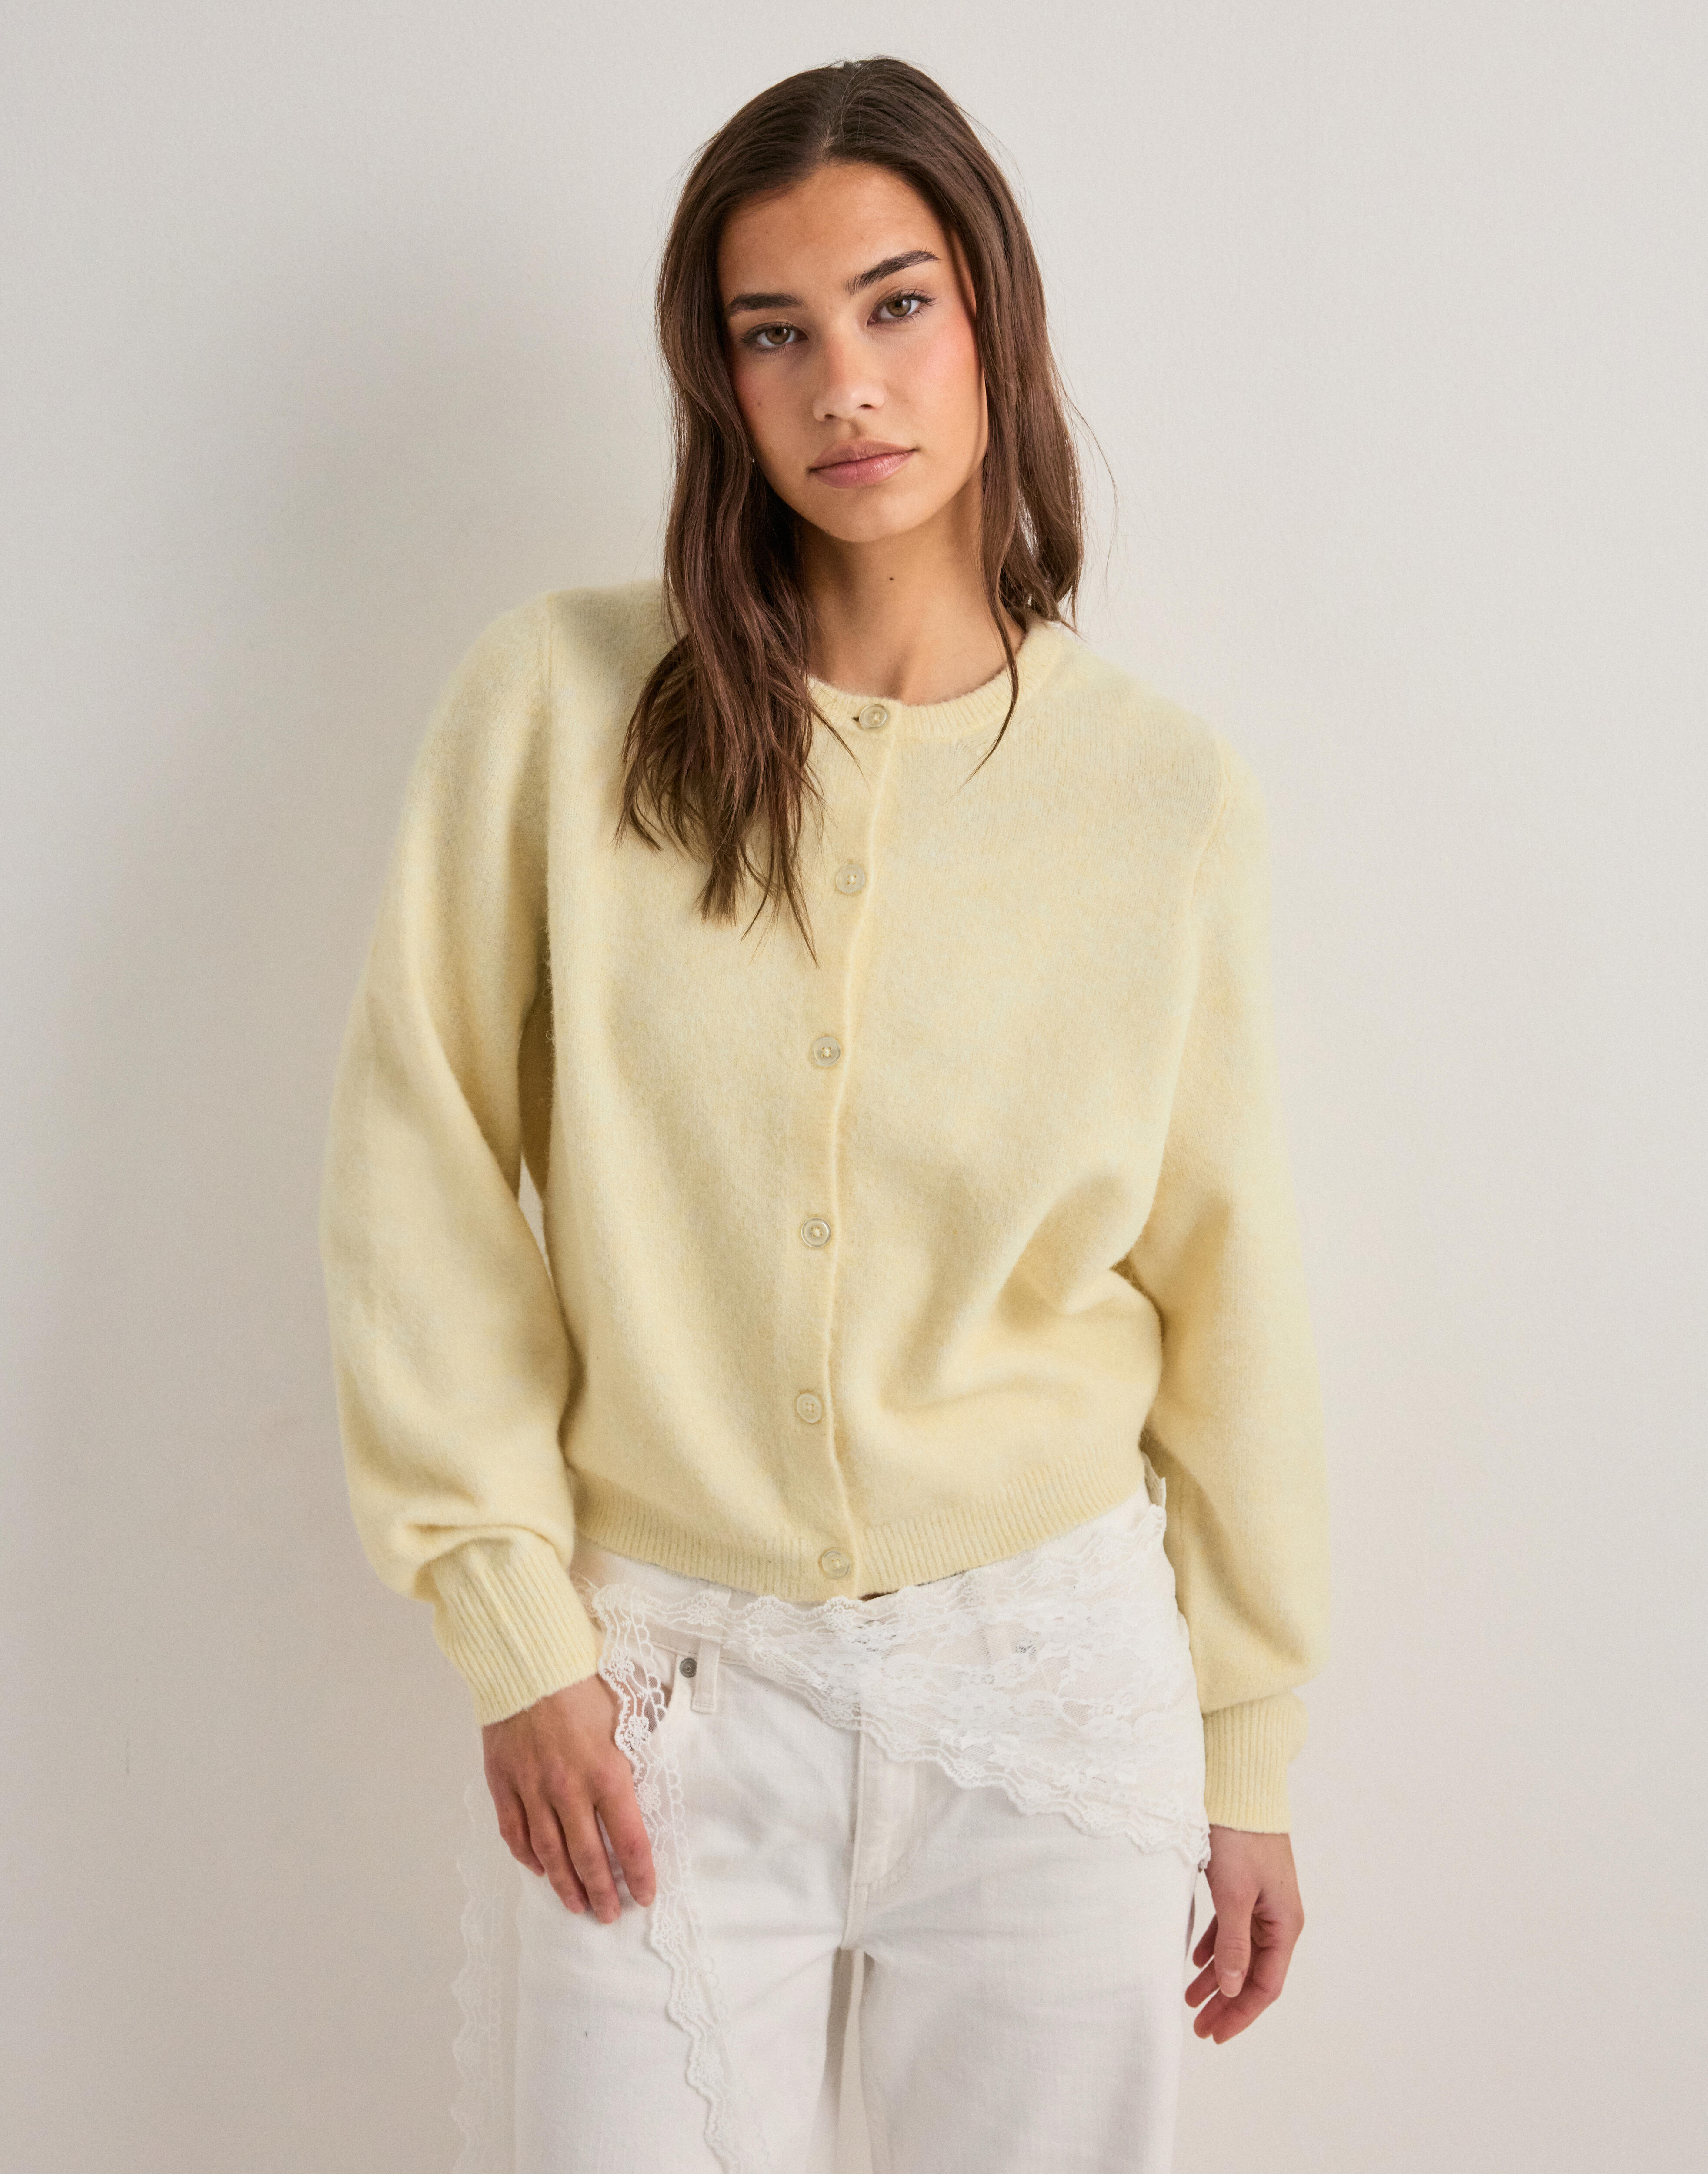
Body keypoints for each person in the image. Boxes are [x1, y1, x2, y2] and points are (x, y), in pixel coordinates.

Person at [318, 53, 1331, 2174]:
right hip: (661, 1699)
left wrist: (1246, 1743)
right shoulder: (559, 705)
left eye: (895, 306)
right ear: (717, 379)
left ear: (991, 317)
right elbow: (424, 1158)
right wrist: (514, 1631)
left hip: (1055, 1695)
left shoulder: (1160, 794)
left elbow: (1226, 1279)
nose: (842, 385)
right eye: (771, 332)